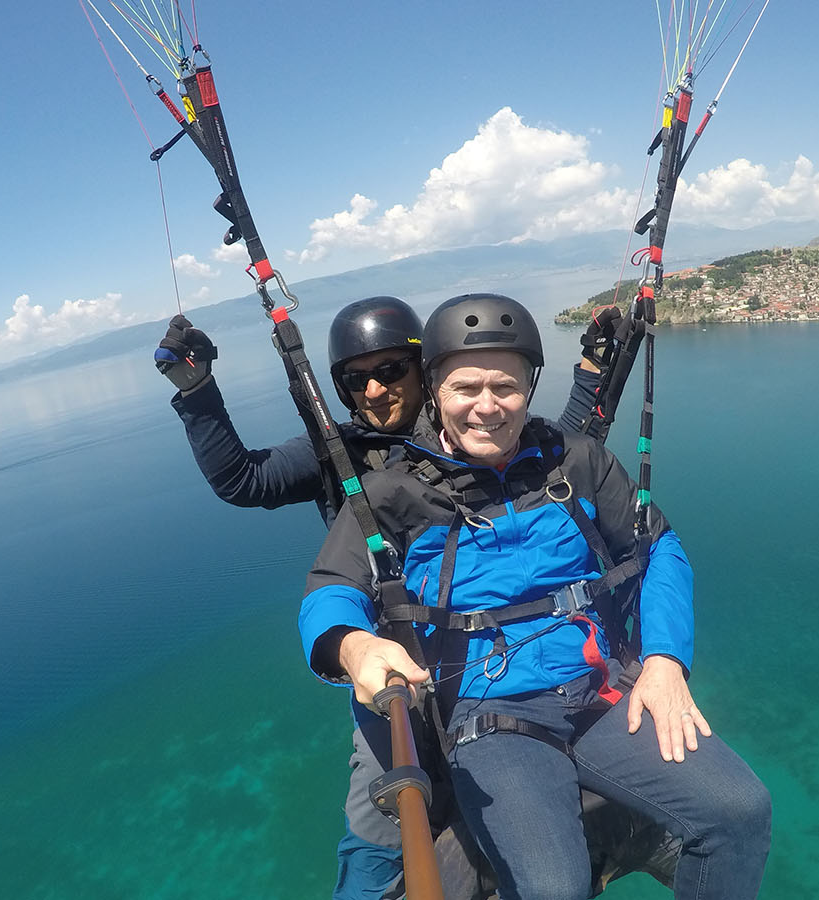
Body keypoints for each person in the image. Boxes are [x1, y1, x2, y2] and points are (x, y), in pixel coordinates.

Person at [299, 293, 771, 900]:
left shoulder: (577, 461)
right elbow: (331, 589)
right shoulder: (389, 495)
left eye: (507, 386)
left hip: (601, 693)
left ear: (530, 387)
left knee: (739, 810)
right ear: (436, 390)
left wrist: (664, 659)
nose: (487, 407)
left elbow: (658, 548)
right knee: (552, 887)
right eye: (466, 388)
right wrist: (354, 644)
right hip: (493, 718)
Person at [156, 296, 628, 899]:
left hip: (488, 669)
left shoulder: (471, 436)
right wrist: (196, 393)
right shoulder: (343, 453)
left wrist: (592, 370)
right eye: (356, 380)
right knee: (381, 828)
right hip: (394, 675)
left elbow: (558, 460)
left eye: (390, 372)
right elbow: (244, 480)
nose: (375, 391)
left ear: (425, 370)